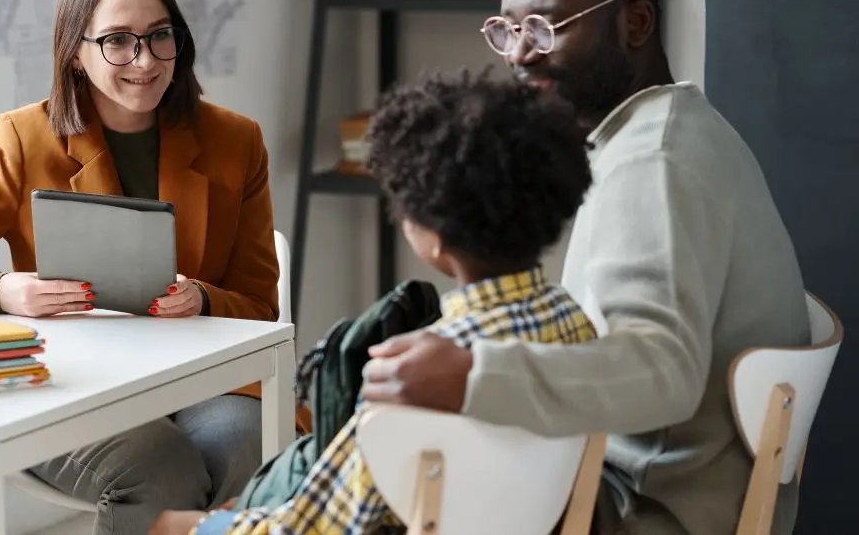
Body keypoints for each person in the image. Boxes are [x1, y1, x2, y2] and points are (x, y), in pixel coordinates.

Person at [357, 0, 811, 535]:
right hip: (656, 482)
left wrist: (473, 375)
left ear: (636, 23)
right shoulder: (671, 128)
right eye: (508, 29)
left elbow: (663, 371)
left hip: (651, 509)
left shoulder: (653, 163)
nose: (518, 53)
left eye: (544, 27)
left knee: (386, 480)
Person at [0, 0, 291, 535]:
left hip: (200, 382)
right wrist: (0, 289)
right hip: (72, 385)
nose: (144, 60)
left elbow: (260, 305)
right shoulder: (27, 140)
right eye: (117, 40)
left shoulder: (235, 142)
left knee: (243, 444)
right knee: (157, 467)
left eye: (160, 36)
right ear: (76, 54)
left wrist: (204, 300)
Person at [149, 71, 602, 535]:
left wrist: (200, 527)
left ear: (434, 239)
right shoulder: (579, 330)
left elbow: (315, 528)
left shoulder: (417, 376)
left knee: (169, 524)